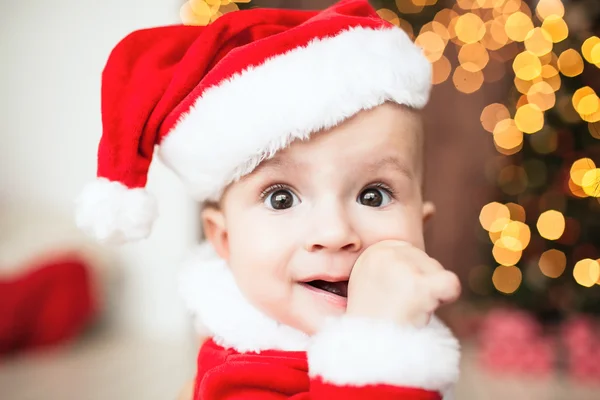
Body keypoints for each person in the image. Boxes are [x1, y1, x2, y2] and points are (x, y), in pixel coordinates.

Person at [75, 0, 462, 399]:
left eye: (374, 195)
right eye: (281, 198)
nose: (334, 233)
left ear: (421, 225)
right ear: (224, 241)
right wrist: (380, 348)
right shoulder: (242, 374)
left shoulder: (410, 322)